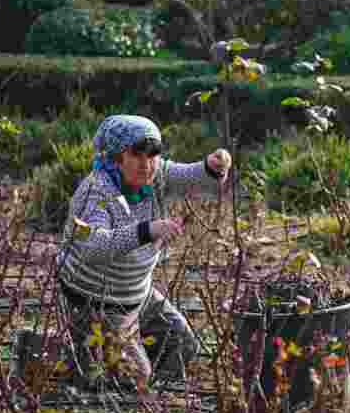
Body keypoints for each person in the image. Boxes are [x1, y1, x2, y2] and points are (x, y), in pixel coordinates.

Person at [56, 114, 231, 390]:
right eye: (136, 155)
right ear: (115, 157)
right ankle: (73, 355)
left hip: (136, 294)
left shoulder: (156, 174)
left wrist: (211, 167)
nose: (146, 164)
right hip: (96, 300)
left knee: (183, 345)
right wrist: (147, 230)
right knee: (133, 377)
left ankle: (130, 374)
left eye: (152, 155)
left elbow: (193, 178)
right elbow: (94, 246)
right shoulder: (95, 191)